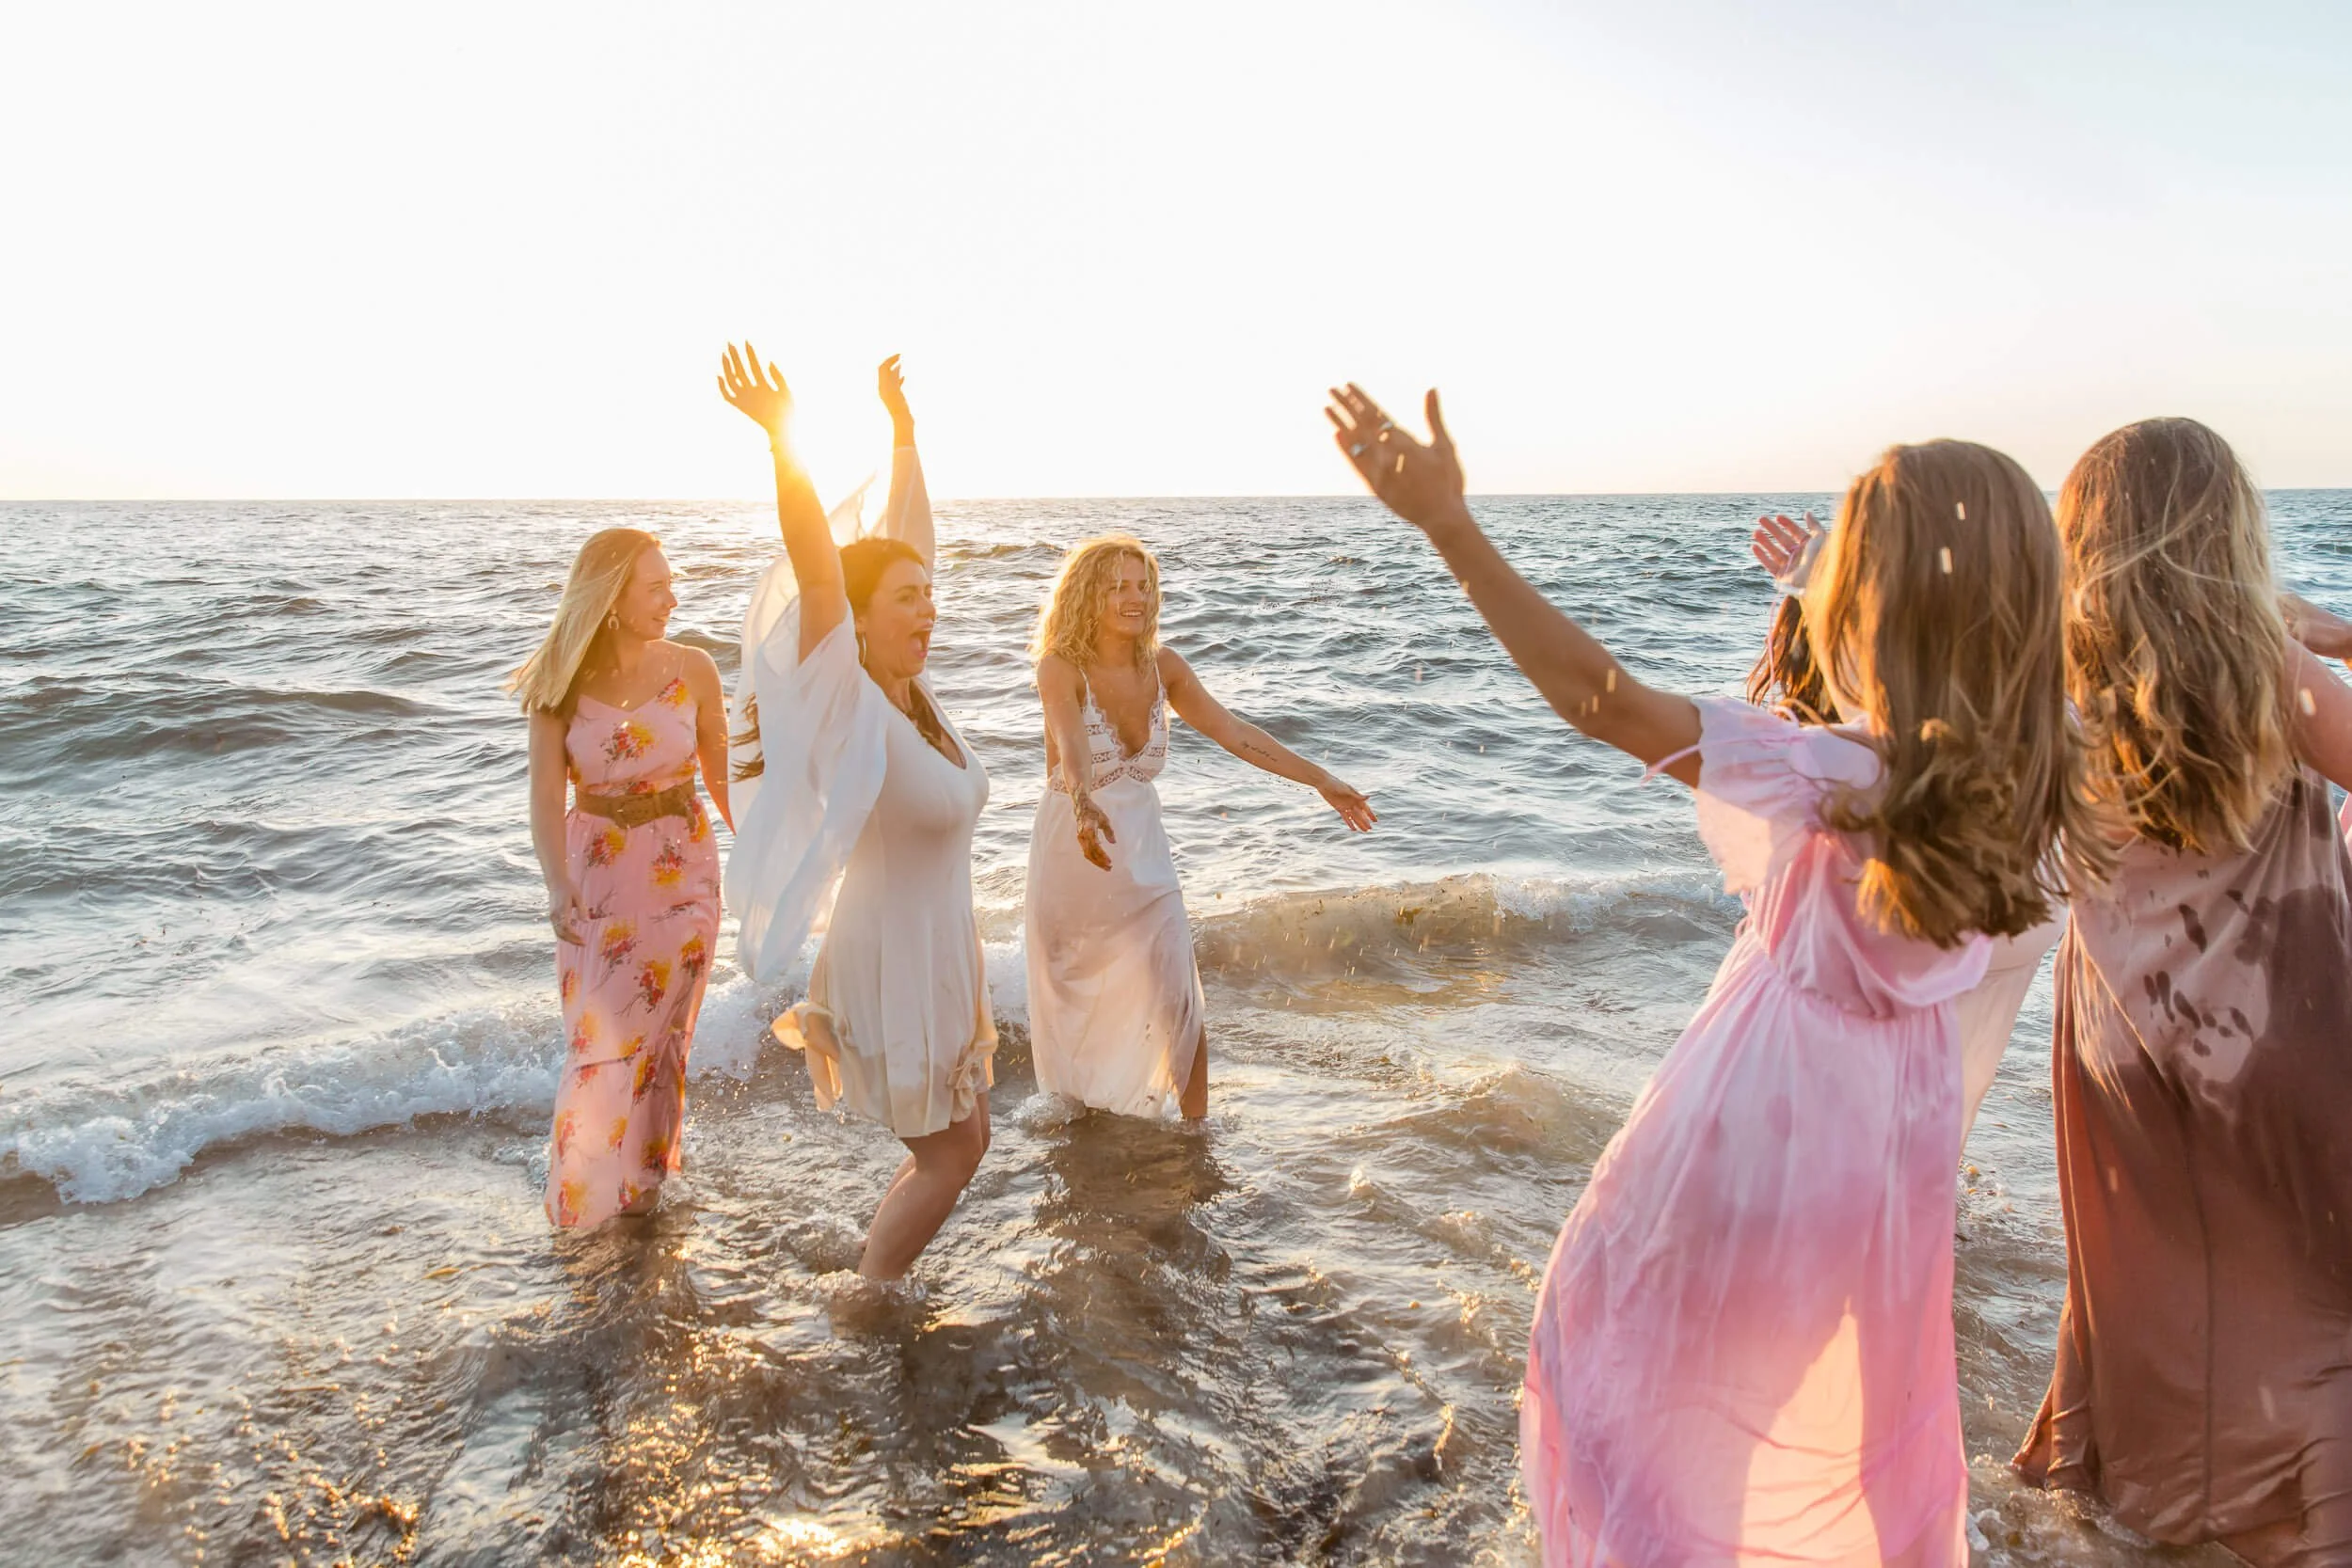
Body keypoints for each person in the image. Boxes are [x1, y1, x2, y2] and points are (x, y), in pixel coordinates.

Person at [1327, 383, 2100, 1564]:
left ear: (1881, 603)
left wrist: (1449, 528)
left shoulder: (1829, 773)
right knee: (1843, 1416)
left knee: (1628, 1377)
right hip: (1887, 1158)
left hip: (1753, 1137)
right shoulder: (2045, 771)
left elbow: (1599, 700)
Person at [2012, 418, 2352, 1564]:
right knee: (2307, 1283)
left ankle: (2131, 1508)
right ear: (2228, 529)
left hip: (2126, 1040)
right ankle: (2305, 1509)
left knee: (2143, 1271)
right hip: (2282, 1027)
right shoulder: (2270, 667)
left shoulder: (2054, 679)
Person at [719, 345, 994, 1280]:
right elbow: (824, 570)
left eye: (932, 598)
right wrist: (782, 443)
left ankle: (873, 1272)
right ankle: (870, 1292)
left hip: (942, 943)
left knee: (958, 1143)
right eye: (907, 600)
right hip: (892, 952)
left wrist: (903, 428)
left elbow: (903, 531)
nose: (928, 611)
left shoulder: (917, 695)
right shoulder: (851, 704)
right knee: (952, 1153)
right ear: (861, 624)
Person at [1024, 535, 1375, 1120]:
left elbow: (1234, 732)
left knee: (1177, 994)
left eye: (1142, 585)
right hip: (1077, 850)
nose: (1134, 598)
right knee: (1073, 998)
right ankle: (1076, 1120)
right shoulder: (1059, 668)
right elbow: (1071, 745)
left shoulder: (1164, 667)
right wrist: (1084, 803)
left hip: (1145, 854)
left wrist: (1319, 779)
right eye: (1117, 586)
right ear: (1088, 595)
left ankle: (1195, 1131)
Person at [1747, 510, 2065, 1148]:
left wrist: (1824, 591)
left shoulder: (1832, 781)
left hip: (1838, 1135)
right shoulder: (2041, 769)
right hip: (1891, 1136)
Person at [509, 528, 731, 1228]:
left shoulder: (694, 668)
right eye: (655, 586)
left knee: (666, 1039)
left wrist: (785, 856)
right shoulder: (560, 682)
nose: (672, 597)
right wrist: (555, 882)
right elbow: (546, 798)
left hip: (685, 871)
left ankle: (644, 1186)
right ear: (612, 598)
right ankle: (579, 1204)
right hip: (599, 875)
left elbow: (725, 780)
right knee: (599, 1041)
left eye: (671, 582)